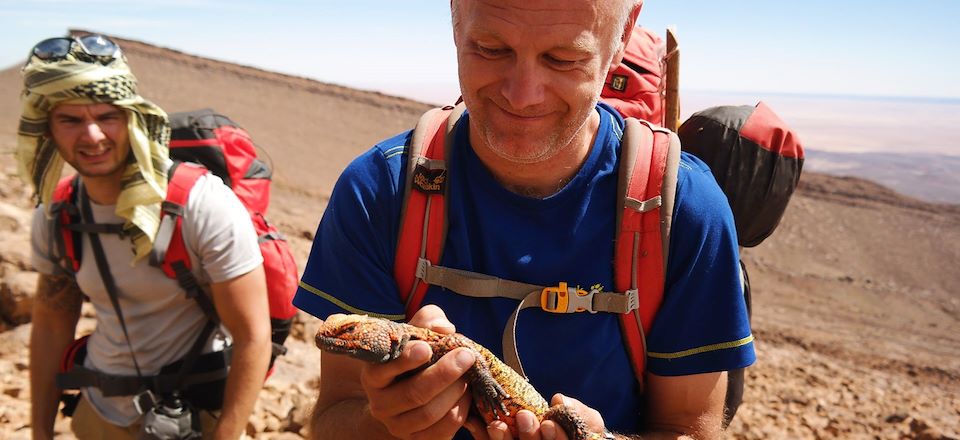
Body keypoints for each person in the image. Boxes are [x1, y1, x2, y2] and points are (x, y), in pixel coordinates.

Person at [293, 1, 755, 439]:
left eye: (563, 58)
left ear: (624, 34)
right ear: (456, 14)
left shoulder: (683, 210)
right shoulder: (380, 190)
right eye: (492, 49)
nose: (522, 94)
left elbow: (691, 427)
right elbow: (336, 415)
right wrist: (390, 424)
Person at [18, 34, 271, 439]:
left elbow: (253, 335)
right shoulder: (58, 213)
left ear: (133, 118)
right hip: (98, 415)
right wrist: (40, 432)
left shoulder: (202, 205)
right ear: (47, 129)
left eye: (107, 116)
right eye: (70, 120)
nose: (93, 136)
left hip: (193, 417)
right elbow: (51, 326)